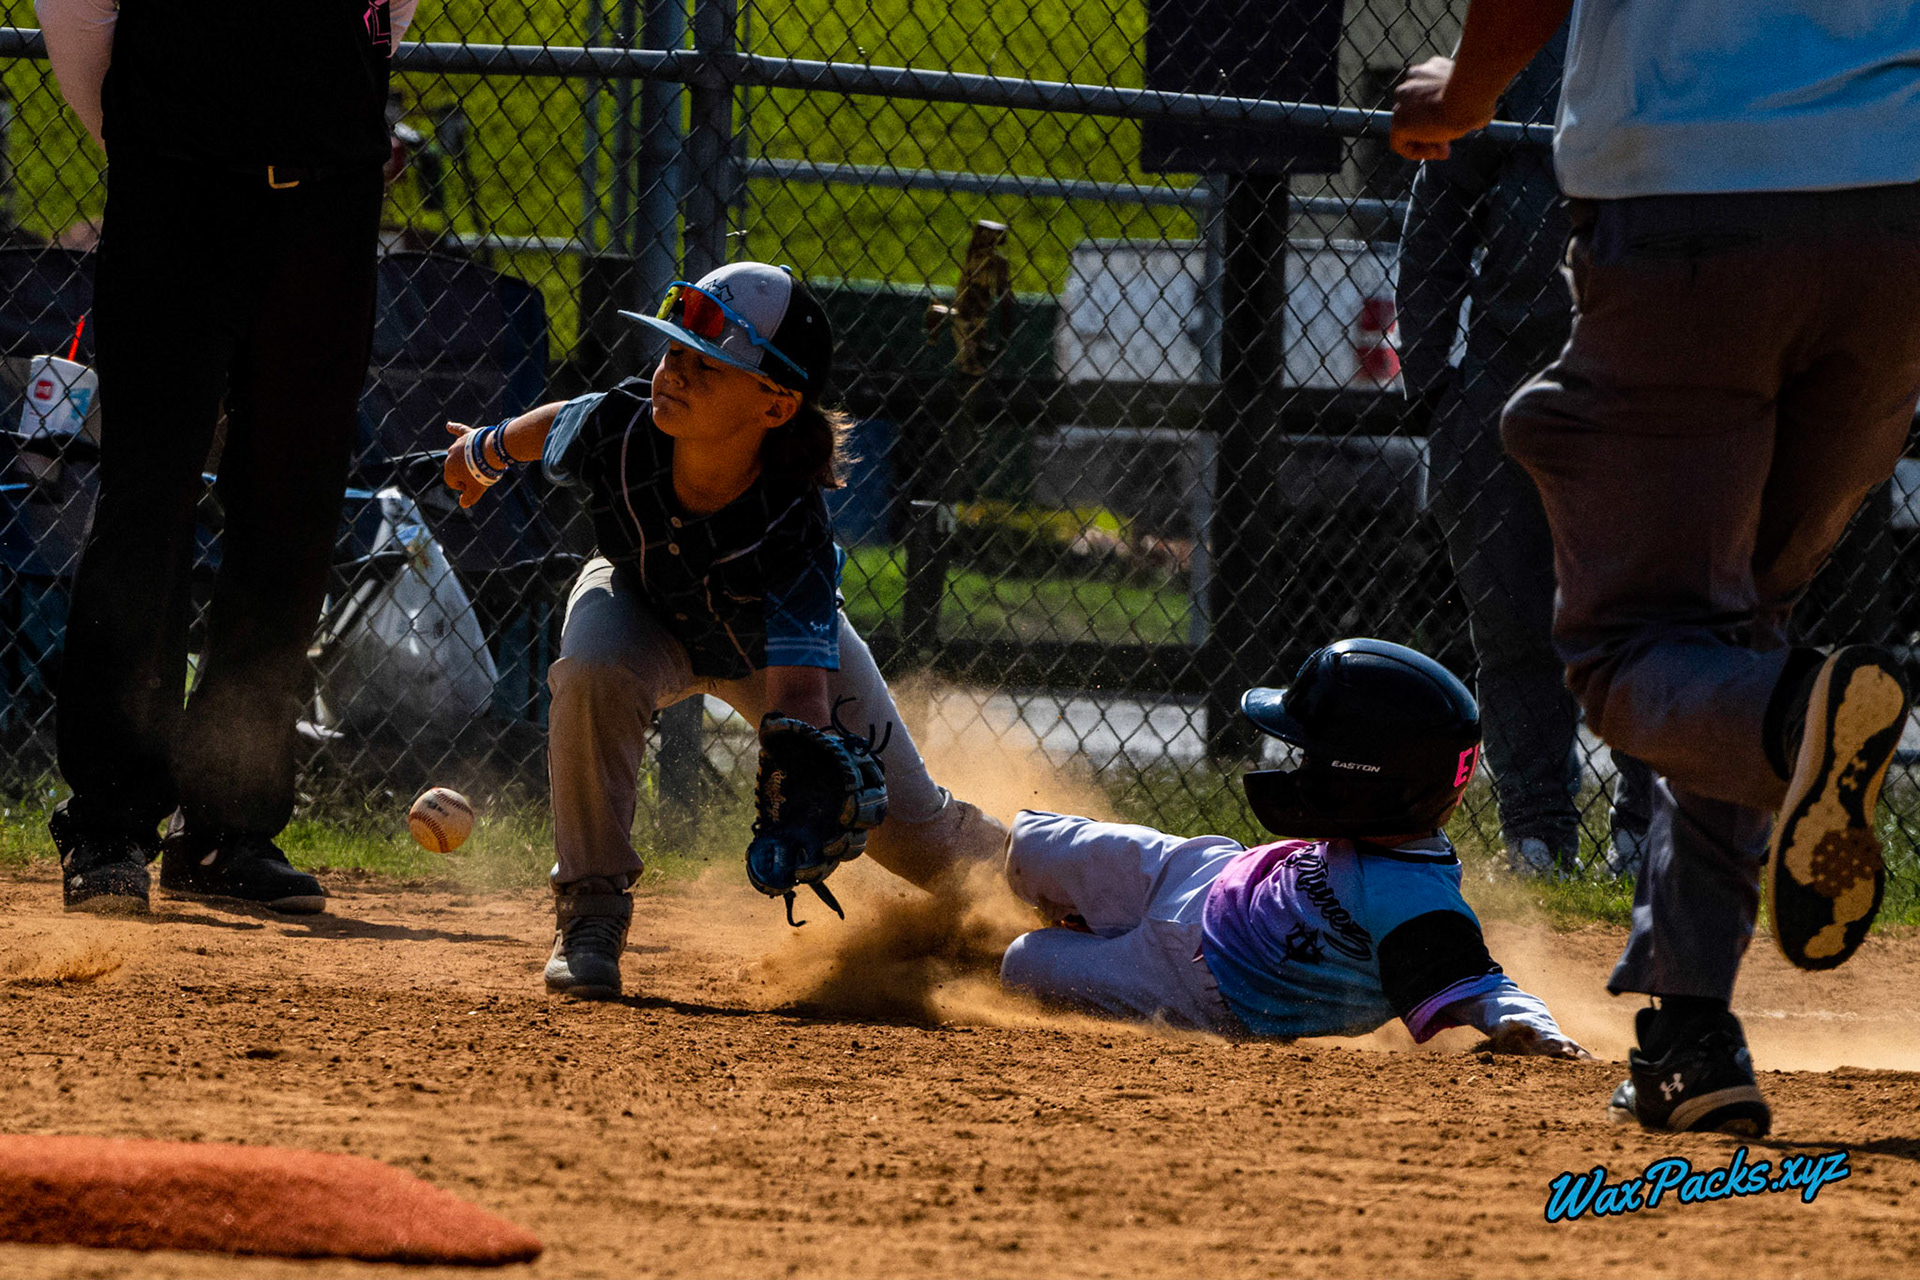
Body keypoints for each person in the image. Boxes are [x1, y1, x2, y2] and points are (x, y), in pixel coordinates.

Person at [1392, 0, 1920, 1135]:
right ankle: (1687, 1037)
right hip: (1898, 221)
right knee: (1731, 629)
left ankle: (1793, 728)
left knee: (1634, 645)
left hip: (1693, 199)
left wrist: (1467, 93)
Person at [444, 261, 1010, 1000]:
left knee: (923, 838)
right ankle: (590, 913)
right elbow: (553, 424)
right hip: (639, 606)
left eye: (703, 366)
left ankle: (1055, 892)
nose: (671, 373)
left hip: (760, 652)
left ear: (774, 406)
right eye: (671, 352)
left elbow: (800, 699)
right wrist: (481, 452)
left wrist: (799, 776)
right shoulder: (621, 424)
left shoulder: (793, 525)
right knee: (591, 667)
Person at [37, 0, 419, 915]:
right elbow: (81, 25)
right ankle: (110, 823)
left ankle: (229, 825)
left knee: (291, 508)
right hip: (175, 192)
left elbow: (381, 14)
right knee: (147, 501)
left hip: (328, 199)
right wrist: (168, 142)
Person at [999, 638, 1589, 1059]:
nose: (1298, 767)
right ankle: (938, 841)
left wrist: (1532, 1030)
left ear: (1366, 780)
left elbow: (1485, 988)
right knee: (1028, 846)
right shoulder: (1378, 828)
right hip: (1203, 869)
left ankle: (1001, 936)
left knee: (1020, 963)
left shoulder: (1415, 903)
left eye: (1313, 758)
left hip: (1197, 989)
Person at [1397, 25, 1653, 880]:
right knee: (1511, 622)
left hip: (1647, 391)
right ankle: (1536, 835)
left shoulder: (1680, 48)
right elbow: (1436, 227)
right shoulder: (1522, 52)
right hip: (1503, 385)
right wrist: (1436, 389)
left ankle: (1644, 833)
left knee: (1648, 618)